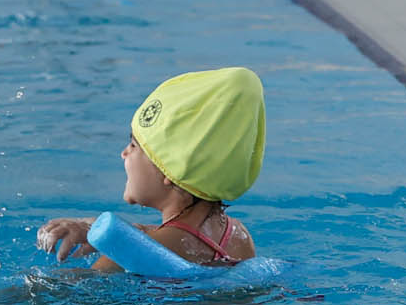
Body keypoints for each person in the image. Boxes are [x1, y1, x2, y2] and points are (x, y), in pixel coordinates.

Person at [40, 67, 264, 270]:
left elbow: (67, 292)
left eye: (133, 145)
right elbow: (174, 238)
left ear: (169, 170)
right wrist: (96, 228)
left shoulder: (128, 256)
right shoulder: (237, 234)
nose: (124, 153)